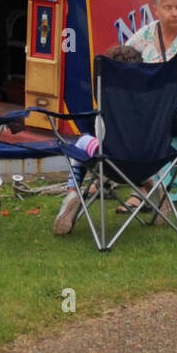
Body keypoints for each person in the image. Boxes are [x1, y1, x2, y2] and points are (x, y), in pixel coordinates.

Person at [52, 44, 145, 235]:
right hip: (148, 160)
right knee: (138, 151)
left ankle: (72, 193)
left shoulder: (107, 99)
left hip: (111, 159)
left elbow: (100, 132)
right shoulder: (150, 100)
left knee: (82, 142)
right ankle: (154, 188)